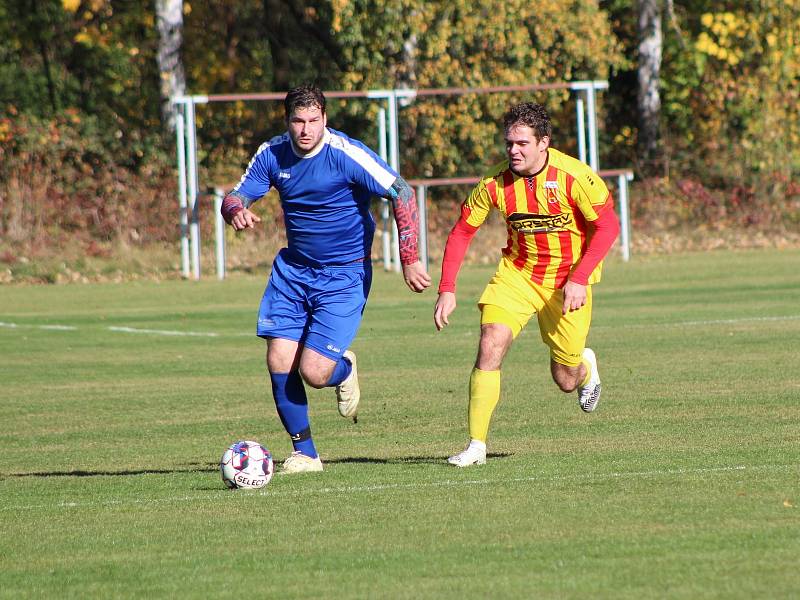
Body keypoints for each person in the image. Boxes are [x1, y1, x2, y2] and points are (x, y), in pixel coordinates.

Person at [222, 84, 431, 474]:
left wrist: (410, 258)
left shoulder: (345, 154)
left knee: (315, 372)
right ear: (287, 121)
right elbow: (235, 196)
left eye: (312, 120)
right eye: (297, 121)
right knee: (279, 360)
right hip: (293, 273)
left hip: (344, 276)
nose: (304, 129)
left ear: (324, 119)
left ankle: (343, 369)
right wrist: (235, 211)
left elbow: (400, 192)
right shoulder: (273, 153)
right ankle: (306, 453)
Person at [433, 102, 620, 467]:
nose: (513, 151)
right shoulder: (495, 182)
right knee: (491, 340)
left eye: (521, 144)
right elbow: (462, 231)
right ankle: (476, 445)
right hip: (517, 275)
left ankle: (584, 367)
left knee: (564, 379)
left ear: (544, 143)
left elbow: (608, 227)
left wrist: (580, 278)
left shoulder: (574, 176)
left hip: (567, 281)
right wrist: (447, 287)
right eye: (508, 144)